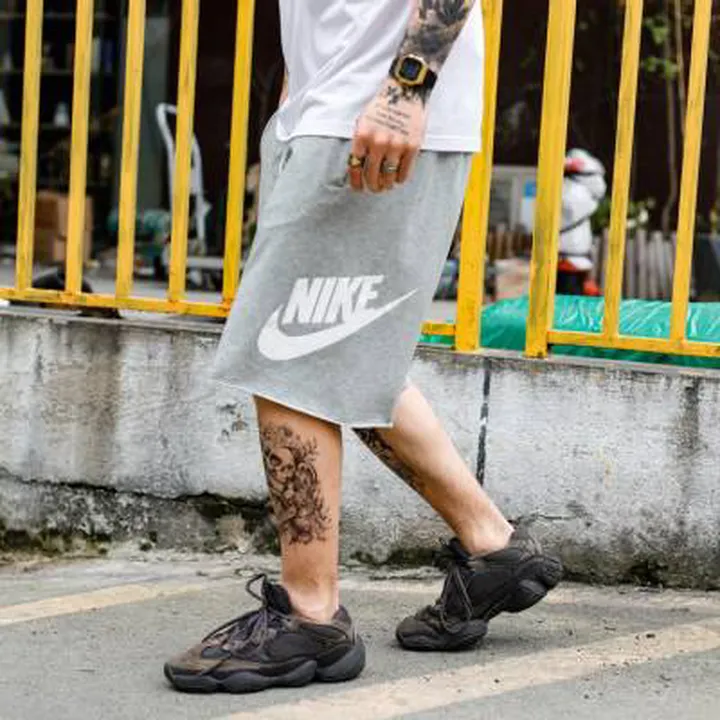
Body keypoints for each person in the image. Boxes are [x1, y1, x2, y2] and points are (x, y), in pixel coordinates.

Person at [164, 0, 562, 694]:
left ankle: (310, 614)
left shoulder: (395, 96)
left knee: (288, 353)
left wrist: (405, 88)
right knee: (340, 352)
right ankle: (492, 546)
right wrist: (299, 105)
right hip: (329, 111)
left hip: (374, 113)